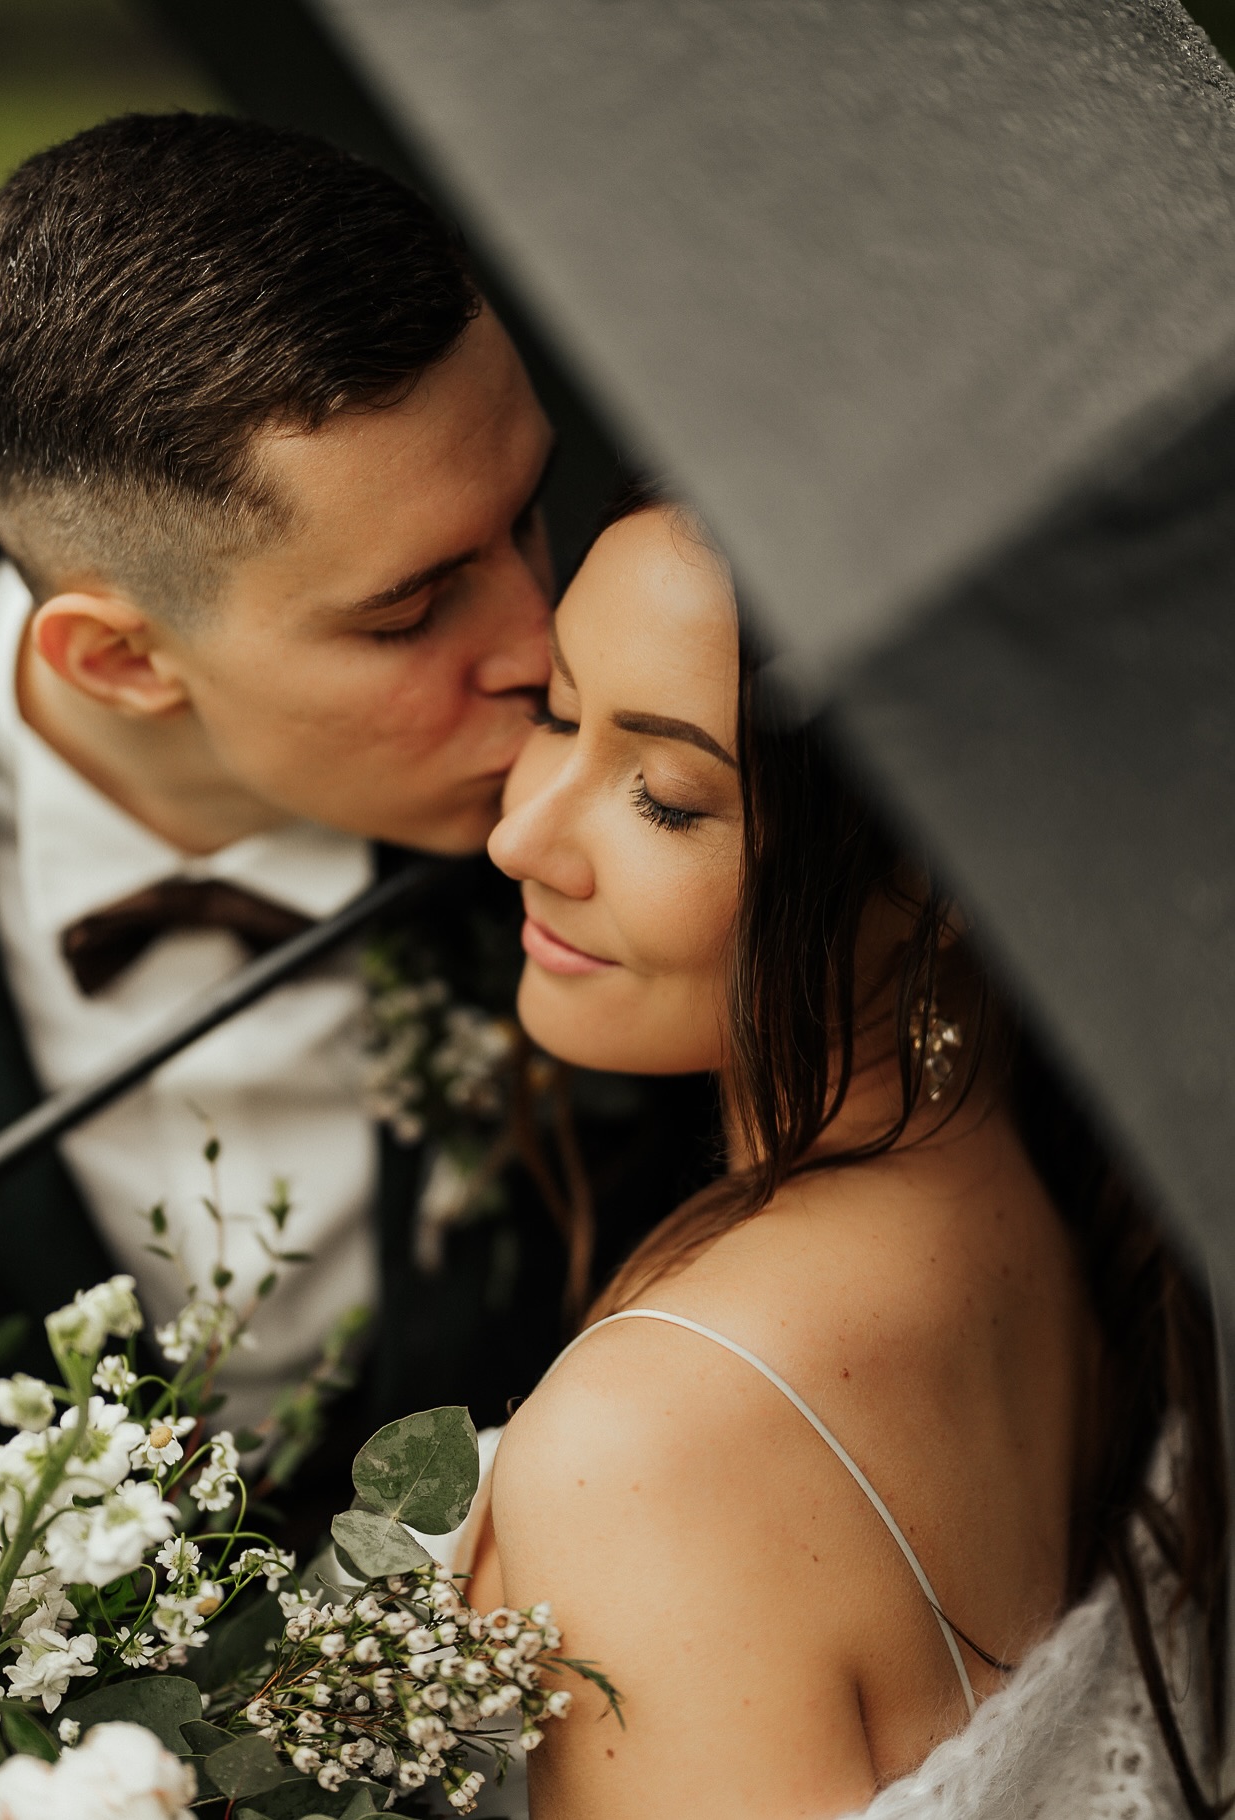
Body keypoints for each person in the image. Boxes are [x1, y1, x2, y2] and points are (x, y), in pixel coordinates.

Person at [0, 115, 710, 1458]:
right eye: (412, 609)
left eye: (525, 516)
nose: (543, 642)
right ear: (120, 659)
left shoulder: (669, 772)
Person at [449, 486, 1227, 1818]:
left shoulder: (645, 1442)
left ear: (940, 866)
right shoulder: (1044, 1193)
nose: (519, 836)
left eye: (667, 797)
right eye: (559, 713)